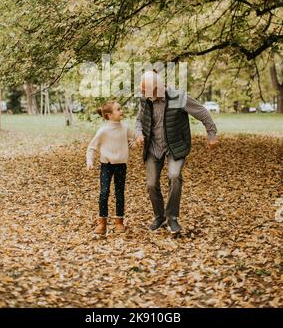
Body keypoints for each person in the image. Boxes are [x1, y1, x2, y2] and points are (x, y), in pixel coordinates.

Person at [135, 70, 219, 234]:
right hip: (153, 147)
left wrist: (212, 134)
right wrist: (138, 134)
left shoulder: (179, 97)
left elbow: (202, 112)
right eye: (143, 91)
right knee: (151, 184)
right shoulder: (145, 100)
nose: (144, 94)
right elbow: (139, 120)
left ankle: (172, 217)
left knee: (174, 176)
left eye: (147, 91)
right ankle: (159, 217)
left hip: (175, 146)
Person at [86, 100, 134, 235]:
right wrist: (90, 160)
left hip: (121, 166)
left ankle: (119, 222)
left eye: (120, 109)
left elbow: (132, 141)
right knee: (104, 193)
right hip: (106, 166)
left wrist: (135, 143)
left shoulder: (125, 128)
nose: (121, 111)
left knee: (119, 194)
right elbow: (92, 147)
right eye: (118, 109)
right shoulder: (103, 130)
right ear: (109, 115)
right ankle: (102, 223)